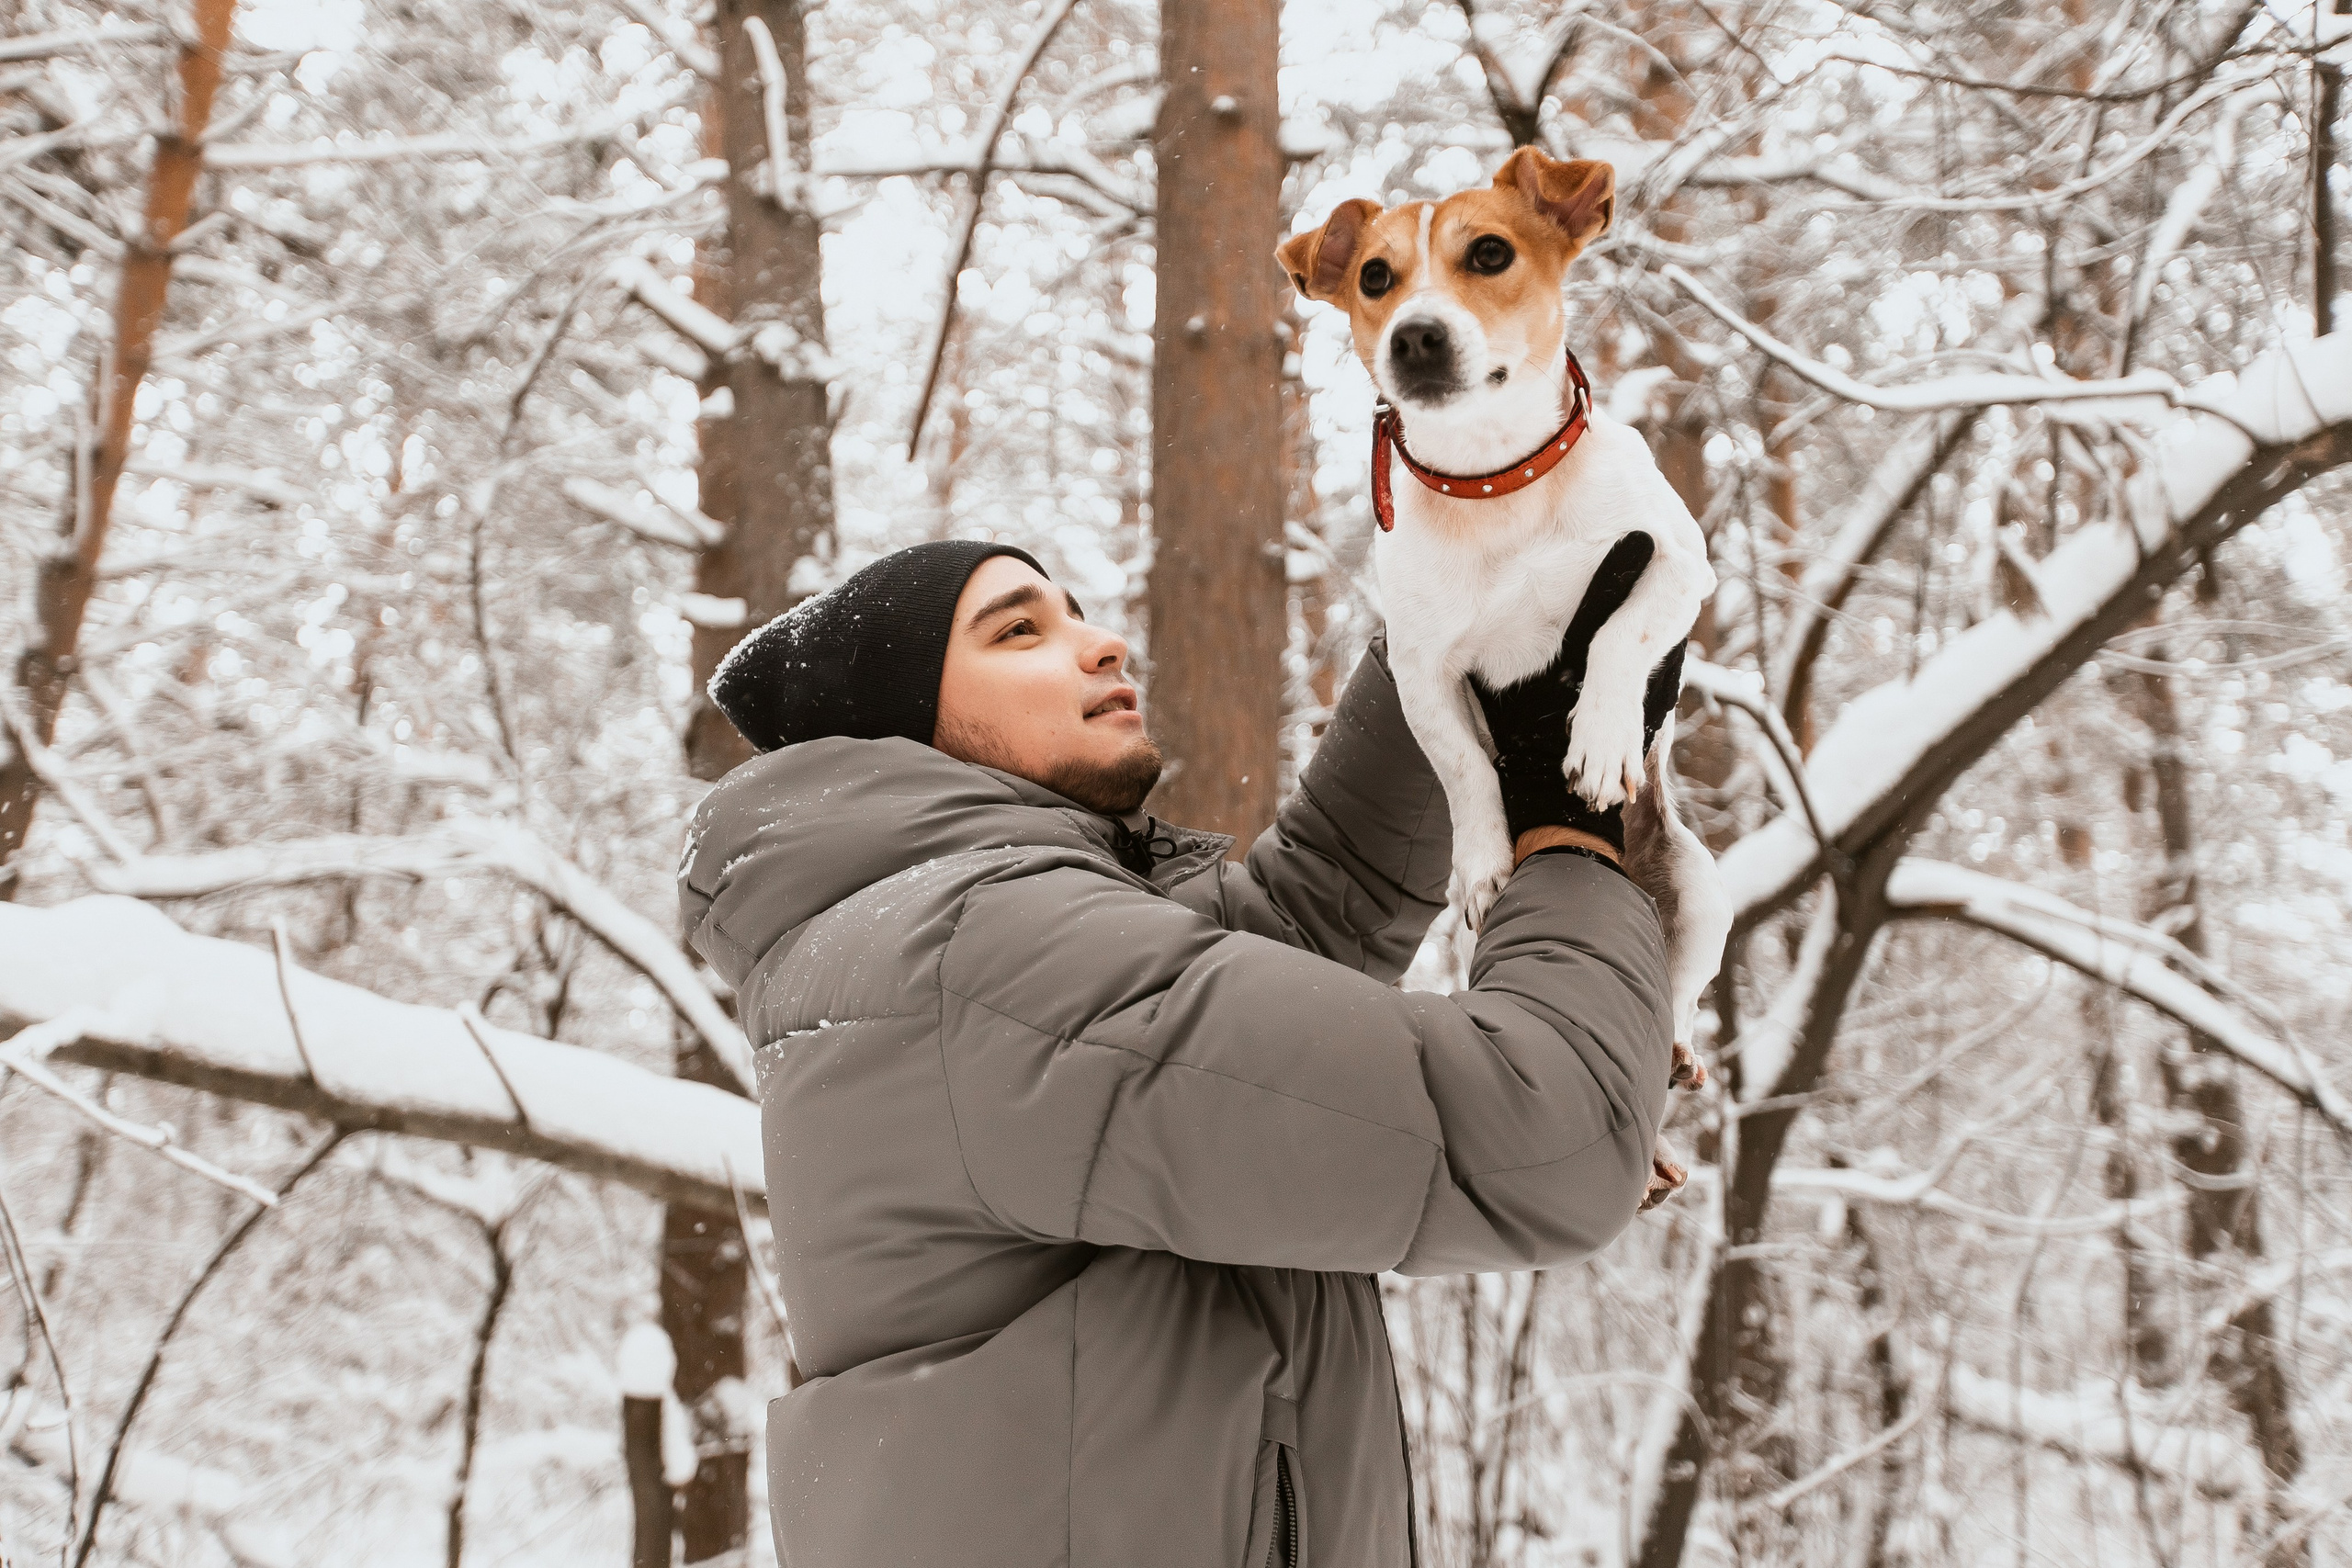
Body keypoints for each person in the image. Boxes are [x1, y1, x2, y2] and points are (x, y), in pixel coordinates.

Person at [680, 538, 1678, 1568]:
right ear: (901, 729)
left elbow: (1308, 913)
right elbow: (1549, 1134)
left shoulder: (912, 949)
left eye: (1077, 613)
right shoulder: (986, 958)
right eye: (1019, 630)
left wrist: (1440, 648)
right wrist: (1569, 841)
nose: (1103, 643)